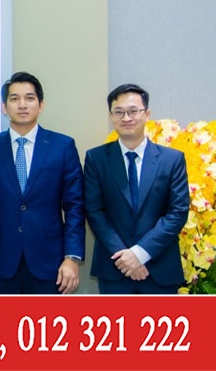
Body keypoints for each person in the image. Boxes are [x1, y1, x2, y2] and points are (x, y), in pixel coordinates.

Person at [0, 72, 85, 294]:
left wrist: (72, 257)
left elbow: (75, 206)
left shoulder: (62, 146)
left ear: (41, 104)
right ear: (4, 107)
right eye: (14, 99)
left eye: (29, 98)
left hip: (51, 262)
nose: (22, 105)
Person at [84, 83, 188, 294]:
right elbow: (94, 211)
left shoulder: (172, 160)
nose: (126, 118)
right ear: (111, 116)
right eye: (119, 112)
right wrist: (125, 257)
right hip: (115, 268)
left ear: (147, 114)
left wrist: (140, 254)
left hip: (159, 268)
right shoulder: (96, 158)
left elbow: (177, 213)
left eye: (133, 111)